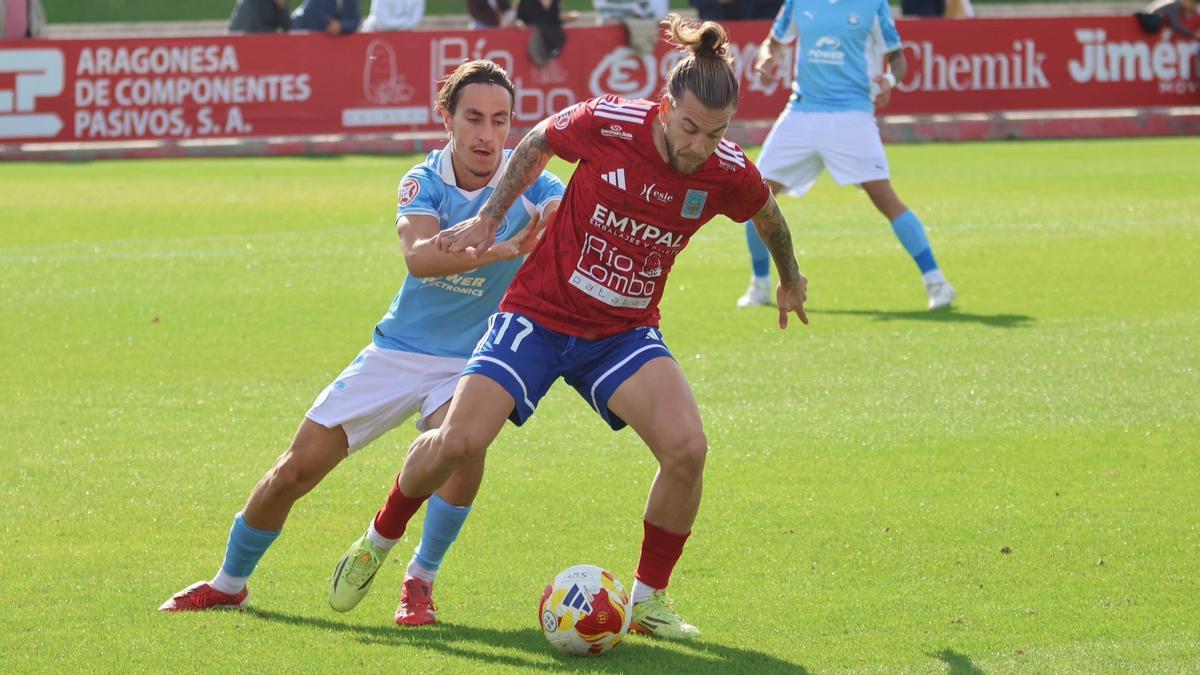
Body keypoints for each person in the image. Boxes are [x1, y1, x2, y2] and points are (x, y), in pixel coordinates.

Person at [331, 14, 809, 639]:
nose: (697, 145)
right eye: (689, 127)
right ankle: (378, 539)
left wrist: (791, 276)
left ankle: (648, 601)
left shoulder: (725, 167)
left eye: (713, 132)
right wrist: (488, 219)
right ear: (666, 106)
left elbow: (768, 215)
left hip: (622, 332)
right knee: (458, 443)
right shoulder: (610, 122)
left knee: (688, 450)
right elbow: (534, 146)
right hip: (539, 315)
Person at [159, 60, 565, 617]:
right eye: (473, 118)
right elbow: (420, 259)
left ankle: (419, 579)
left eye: (500, 120)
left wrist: (548, 219)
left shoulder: (532, 181)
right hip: (397, 352)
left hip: (474, 361)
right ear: (446, 118)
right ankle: (229, 583)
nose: (488, 135)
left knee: (465, 447)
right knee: (293, 470)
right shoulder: (422, 181)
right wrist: (499, 250)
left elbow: (559, 212)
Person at [739, 0, 956, 310]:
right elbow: (772, 44)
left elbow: (898, 60)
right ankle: (759, 284)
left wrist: (889, 80)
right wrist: (768, 60)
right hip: (802, 112)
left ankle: (937, 283)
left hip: (852, 114)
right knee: (756, 197)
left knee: (884, 197)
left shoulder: (873, 5)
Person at [291, 0, 361, 34]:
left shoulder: (353, 1)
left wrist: (341, 26)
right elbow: (316, 16)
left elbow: (355, 20)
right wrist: (330, 24)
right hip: (307, 39)